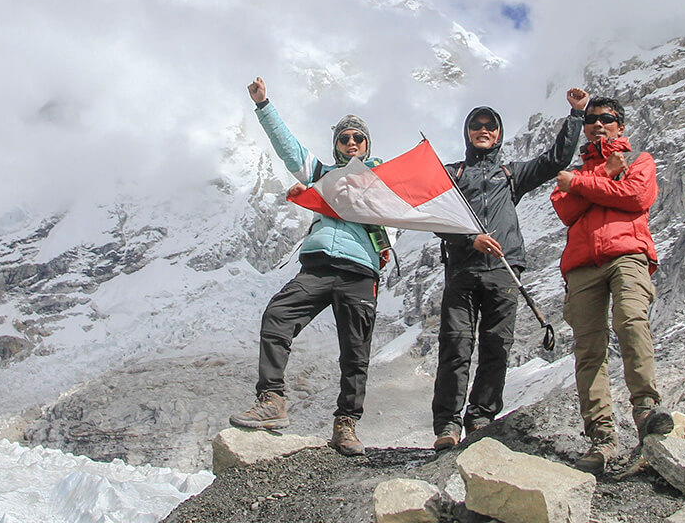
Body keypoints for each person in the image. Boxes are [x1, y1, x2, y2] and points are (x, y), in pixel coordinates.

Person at [229, 76, 391, 457]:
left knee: (356, 352)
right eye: (344, 138)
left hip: (360, 272)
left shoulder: (383, 181)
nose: (351, 143)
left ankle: (346, 425)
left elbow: (420, 193)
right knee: (278, 315)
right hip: (317, 267)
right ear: (335, 145)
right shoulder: (321, 177)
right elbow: (289, 149)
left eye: (358, 138)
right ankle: (272, 401)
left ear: (367, 145)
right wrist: (264, 105)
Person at [431, 88, 589, 451]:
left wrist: (576, 114)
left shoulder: (511, 173)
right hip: (462, 270)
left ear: (499, 134)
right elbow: (434, 218)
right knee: (455, 346)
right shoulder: (452, 173)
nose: (483, 130)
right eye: (476, 125)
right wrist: (470, 239)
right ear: (467, 132)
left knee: (496, 345)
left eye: (490, 126)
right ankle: (448, 424)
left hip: (504, 269)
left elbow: (555, 160)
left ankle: (481, 418)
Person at [550, 96, 673, 474]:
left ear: (621, 125)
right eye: (591, 119)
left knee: (631, 321)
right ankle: (602, 437)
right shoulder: (576, 172)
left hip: (627, 255)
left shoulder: (640, 161)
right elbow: (566, 210)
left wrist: (582, 185)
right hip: (583, 265)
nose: (597, 124)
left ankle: (646, 411)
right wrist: (604, 176)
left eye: (606, 118)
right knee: (589, 348)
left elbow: (636, 197)